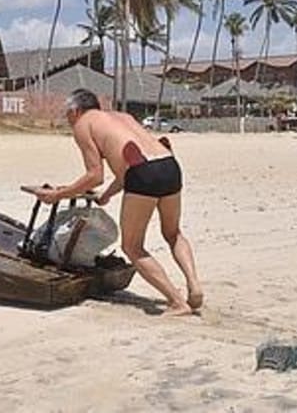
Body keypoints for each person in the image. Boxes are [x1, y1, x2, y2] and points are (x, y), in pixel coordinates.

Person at [35, 89, 202, 316]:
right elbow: (128, 165)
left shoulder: (83, 125)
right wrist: (107, 195)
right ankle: (194, 285)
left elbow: (95, 175)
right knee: (173, 233)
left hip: (143, 173)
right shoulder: (123, 118)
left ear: (75, 111)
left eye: (67, 114)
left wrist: (57, 195)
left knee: (132, 246)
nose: (67, 119)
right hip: (169, 163)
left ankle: (176, 302)